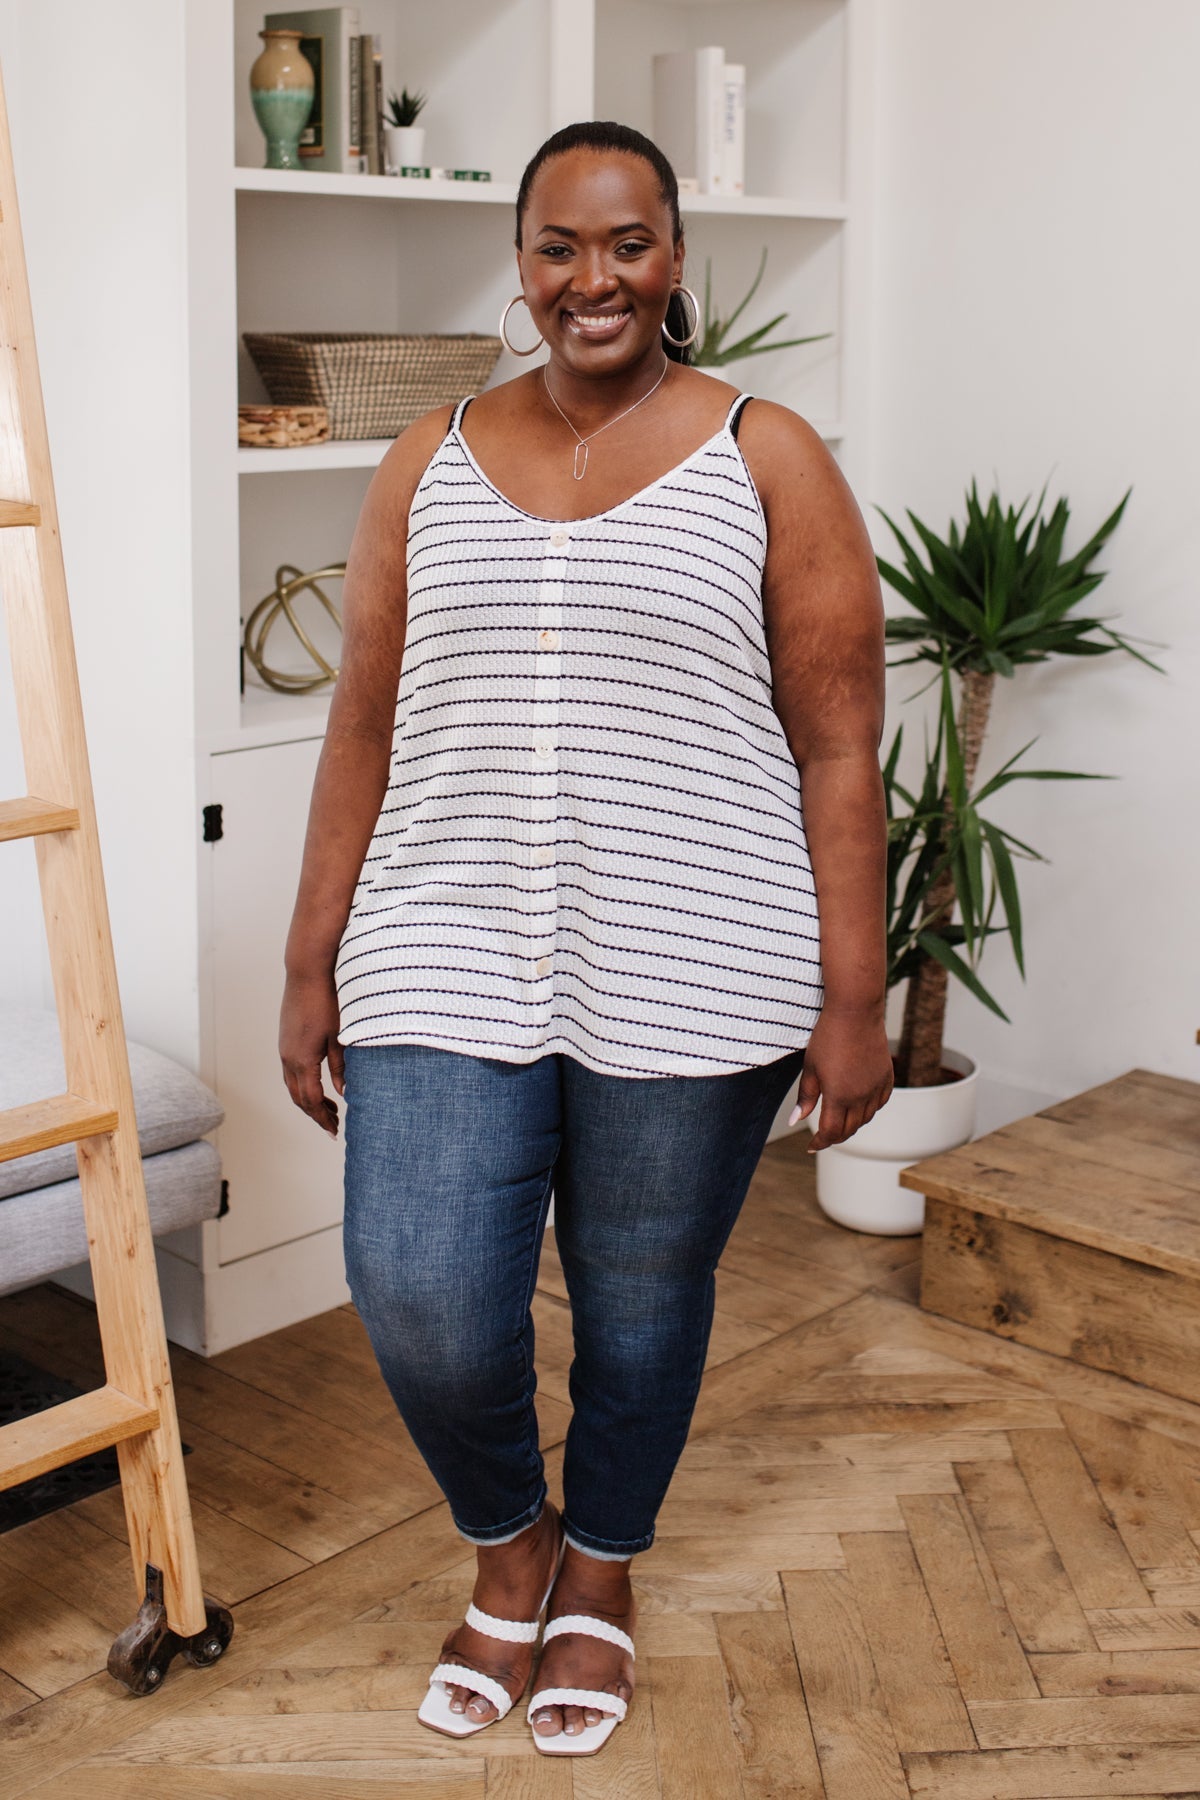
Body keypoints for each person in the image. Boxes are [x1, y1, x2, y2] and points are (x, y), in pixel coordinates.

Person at [279, 119, 892, 1759]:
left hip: (700, 957)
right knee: (418, 1289)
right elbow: (361, 722)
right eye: (560, 246)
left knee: (636, 1301)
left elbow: (842, 742)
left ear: (676, 258)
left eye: (626, 244)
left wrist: (857, 998)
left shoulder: (773, 455)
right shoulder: (426, 455)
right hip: (442, 931)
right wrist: (308, 959)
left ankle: (599, 1570)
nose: (591, 278)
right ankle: (510, 1544)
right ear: (524, 263)